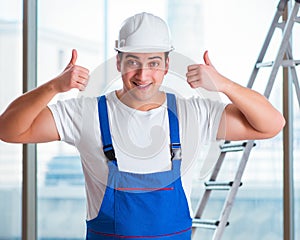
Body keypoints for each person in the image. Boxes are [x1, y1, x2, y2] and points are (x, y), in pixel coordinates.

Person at [0, 12, 285, 239]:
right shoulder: (86, 113)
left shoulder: (193, 113)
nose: (143, 74)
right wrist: (53, 87)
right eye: (133, 62)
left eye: (153, 63)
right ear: (119, 63)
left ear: (166, 65)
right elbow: (8, 130)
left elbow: (271, 124)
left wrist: (223, 84)